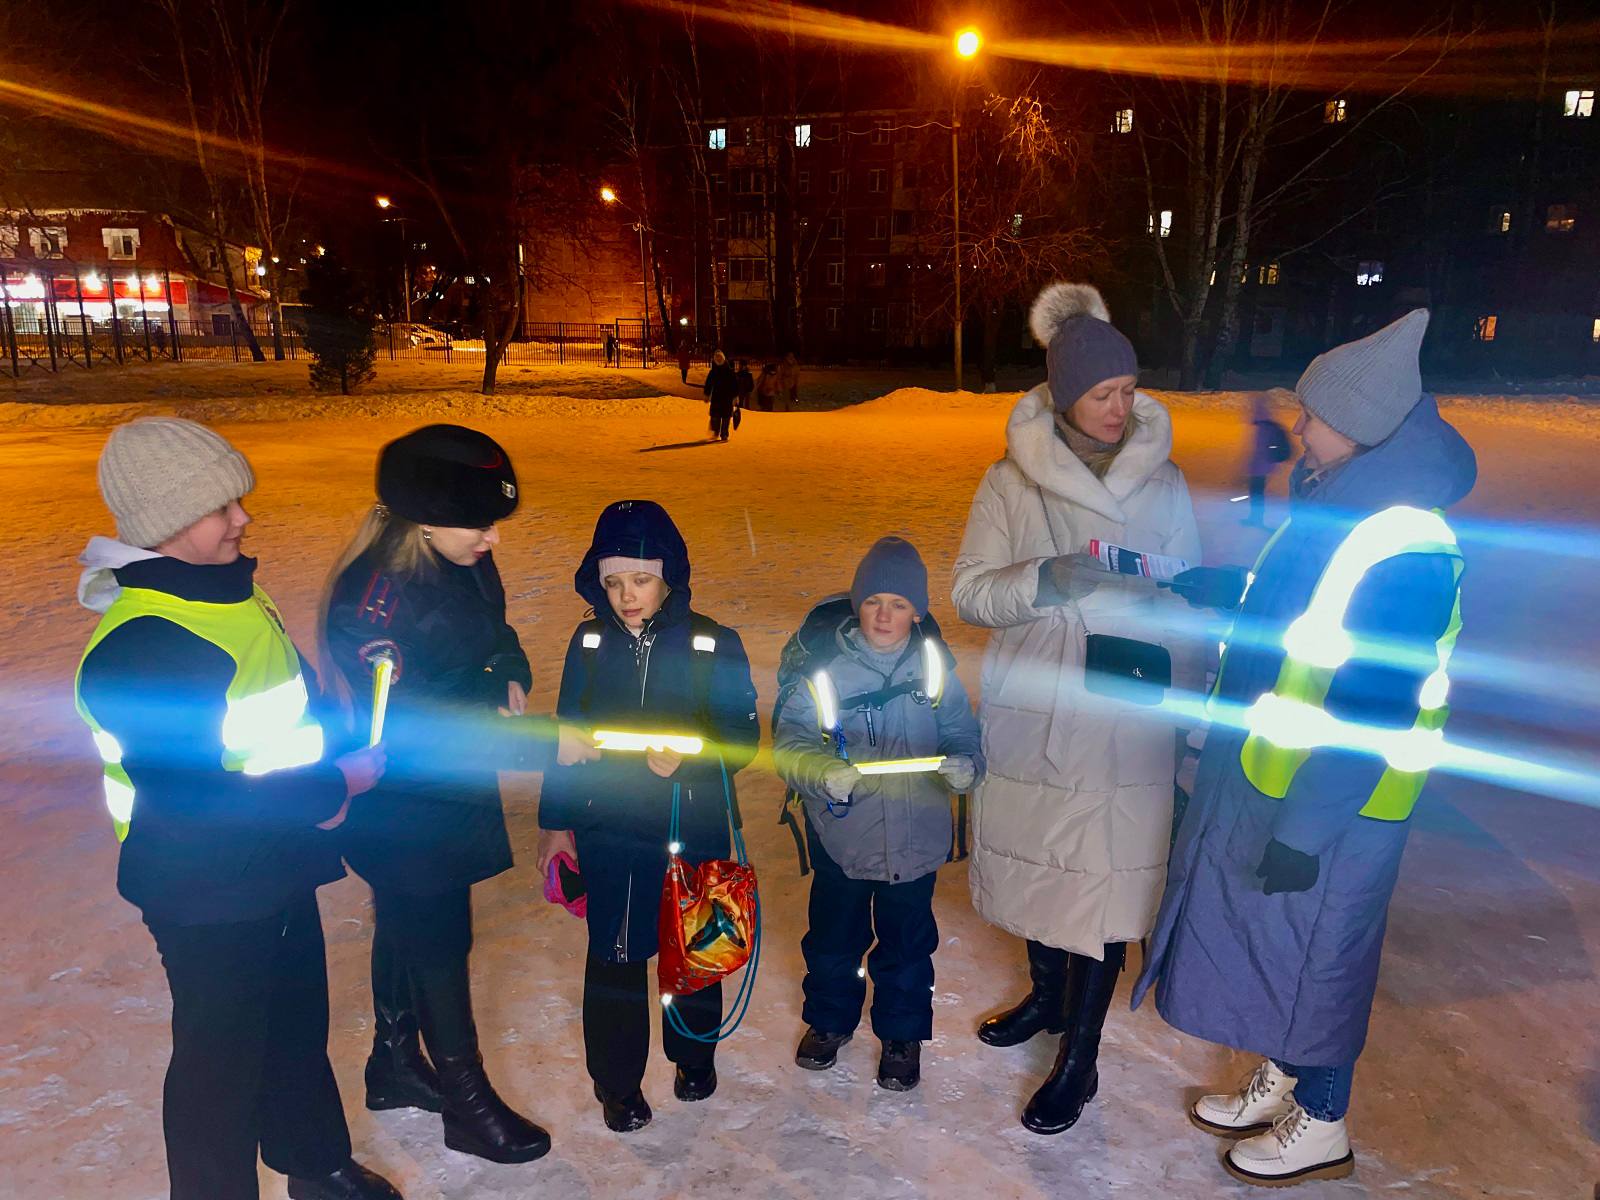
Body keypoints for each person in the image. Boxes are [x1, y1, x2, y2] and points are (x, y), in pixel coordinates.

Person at [1134, 310, 1476, 1188]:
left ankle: (1323, 1119)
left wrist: (1309, 828)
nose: (1298, 426)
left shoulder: (1406, 545)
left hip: (1343, 801)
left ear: (1358, 427)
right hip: (1286, 779)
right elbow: (1309, 612)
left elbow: (1374, 704)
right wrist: (1235, 593)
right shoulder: (1343, 501)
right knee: (1283, 945)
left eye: (1312, 415)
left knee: (1321, 954)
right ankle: (1286, 1075)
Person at [73, 418, 400, 1200]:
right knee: (219, 1064)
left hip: (276, 860)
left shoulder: (228, 595)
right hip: (204, 890)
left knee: (294, 1028)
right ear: (166, 522)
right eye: (223, 508)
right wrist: (334, 789)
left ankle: (314, 1164)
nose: (243, 520)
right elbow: (191, 797)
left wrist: (338, 720)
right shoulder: (142, 645)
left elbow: (278, 703)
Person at [951, 282, 1201, 1135]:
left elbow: (1193, 599)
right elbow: (971, 594)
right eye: (1103, 394)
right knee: (1039, 864)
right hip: (1039, 698)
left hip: (1128, 707)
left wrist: (1185, 675)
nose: (1119, 409)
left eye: (1129, 392)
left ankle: (1080, 1060)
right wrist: (1045, 580)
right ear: (1064, 396)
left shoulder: (1164, 482)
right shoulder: (1009, 484)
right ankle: (1047, 1000)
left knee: (1102, 886)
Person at [320, 425, 599, 1166]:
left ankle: (393, 1062)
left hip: (448, 789)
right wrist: (544, 741)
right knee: (439, 937)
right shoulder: (372, 609)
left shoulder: (462, 563)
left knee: (411, 922)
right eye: (480, 523)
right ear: (424, 519)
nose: (493, 539)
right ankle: (466, 1105)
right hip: (403, 799)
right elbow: (423, 728)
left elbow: (493, 632)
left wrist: (508, 667)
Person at [536, 499, 760, 1133]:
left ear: (668, 576)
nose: (626, 596)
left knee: (694, 947)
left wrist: (687, 760)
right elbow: (568, 739)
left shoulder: (713, 643)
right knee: (614, 957)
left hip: (695, 827)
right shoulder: (587, 642)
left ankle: (695, 1055)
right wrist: (556, 823)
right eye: (613, 581)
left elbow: (741, 739)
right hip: (610, 829)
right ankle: (617, 1083)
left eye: (639, 579)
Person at [773, 537, 983, 1091]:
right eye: (872, 602)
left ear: (917, 610)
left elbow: (962, 732)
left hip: (916, 842)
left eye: (898, 603)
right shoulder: (824, 675)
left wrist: (968, 764)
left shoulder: (935, 668)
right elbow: (789, 743)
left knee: (909, 944)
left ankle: (902, 1033)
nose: (884, 615)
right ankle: (828, 1021)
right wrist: (819, 771)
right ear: (856, 604)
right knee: (833, 939)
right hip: (844, 837)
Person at [1246, 391, 1293, 527]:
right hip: (1263, 467)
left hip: (1260, 468)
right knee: (1257, 494)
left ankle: (1256, 519)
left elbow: (1260, 452)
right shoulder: (1267, 426)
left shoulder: (1263, 428)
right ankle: (1255, 518)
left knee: (1256, 495)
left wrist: (1251, 468)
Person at [703, 350, 739, 441]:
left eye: (720, 358)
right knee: (716, 416)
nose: (718, 360)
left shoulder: (729, 371)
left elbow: (734, 384)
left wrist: (735, 396)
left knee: (726, 417)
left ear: (723, 359)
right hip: (717, 397)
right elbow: (708, 384)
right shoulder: (713, 372)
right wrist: (707, 394)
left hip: (727, 397)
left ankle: (724, 434)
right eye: (717, 358)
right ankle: (716, 432)